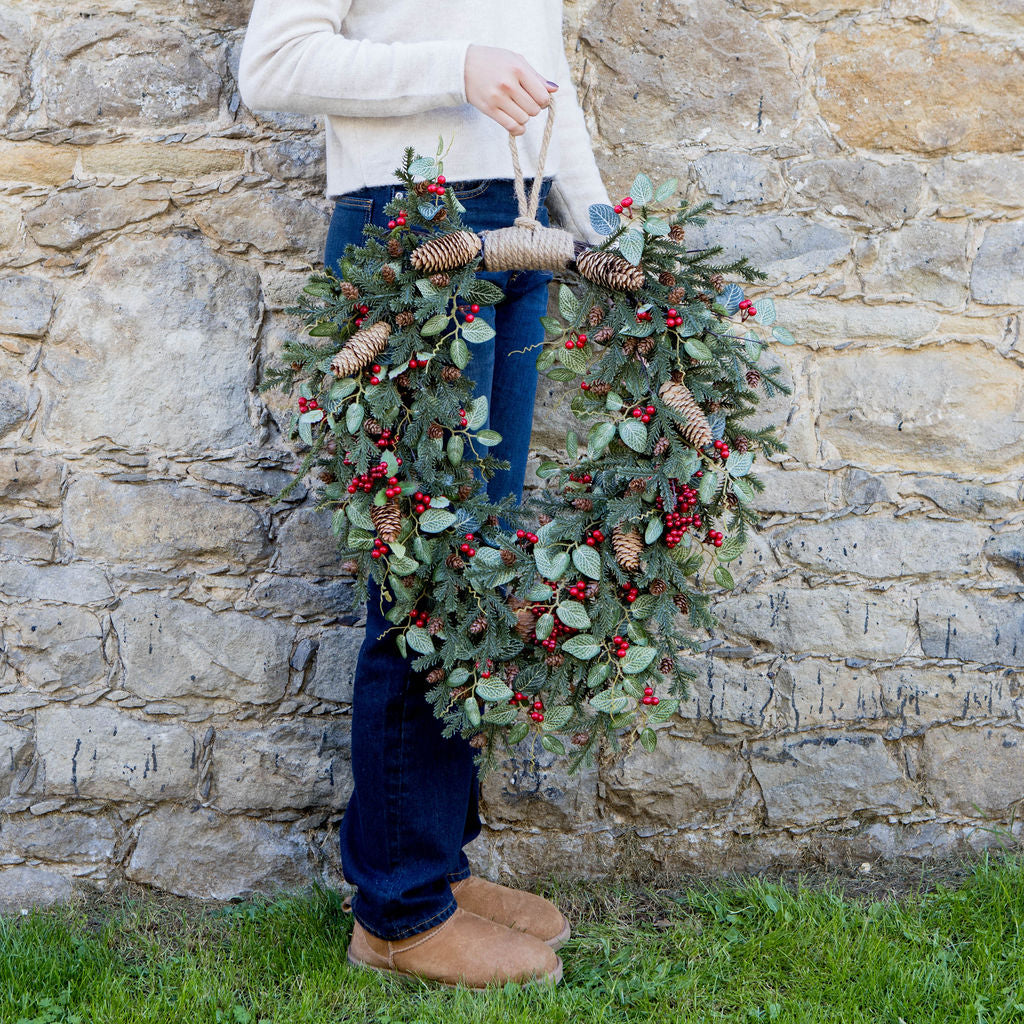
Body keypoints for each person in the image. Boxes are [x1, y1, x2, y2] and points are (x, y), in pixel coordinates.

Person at [238, 0, 610, 991]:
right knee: (419, 579)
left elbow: (541, 73)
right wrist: (459, 66)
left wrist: (605, 221)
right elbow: (271, 65)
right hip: (411, 227)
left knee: (469, 574)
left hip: (518, 229)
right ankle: (398, 910)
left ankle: (432, 862)